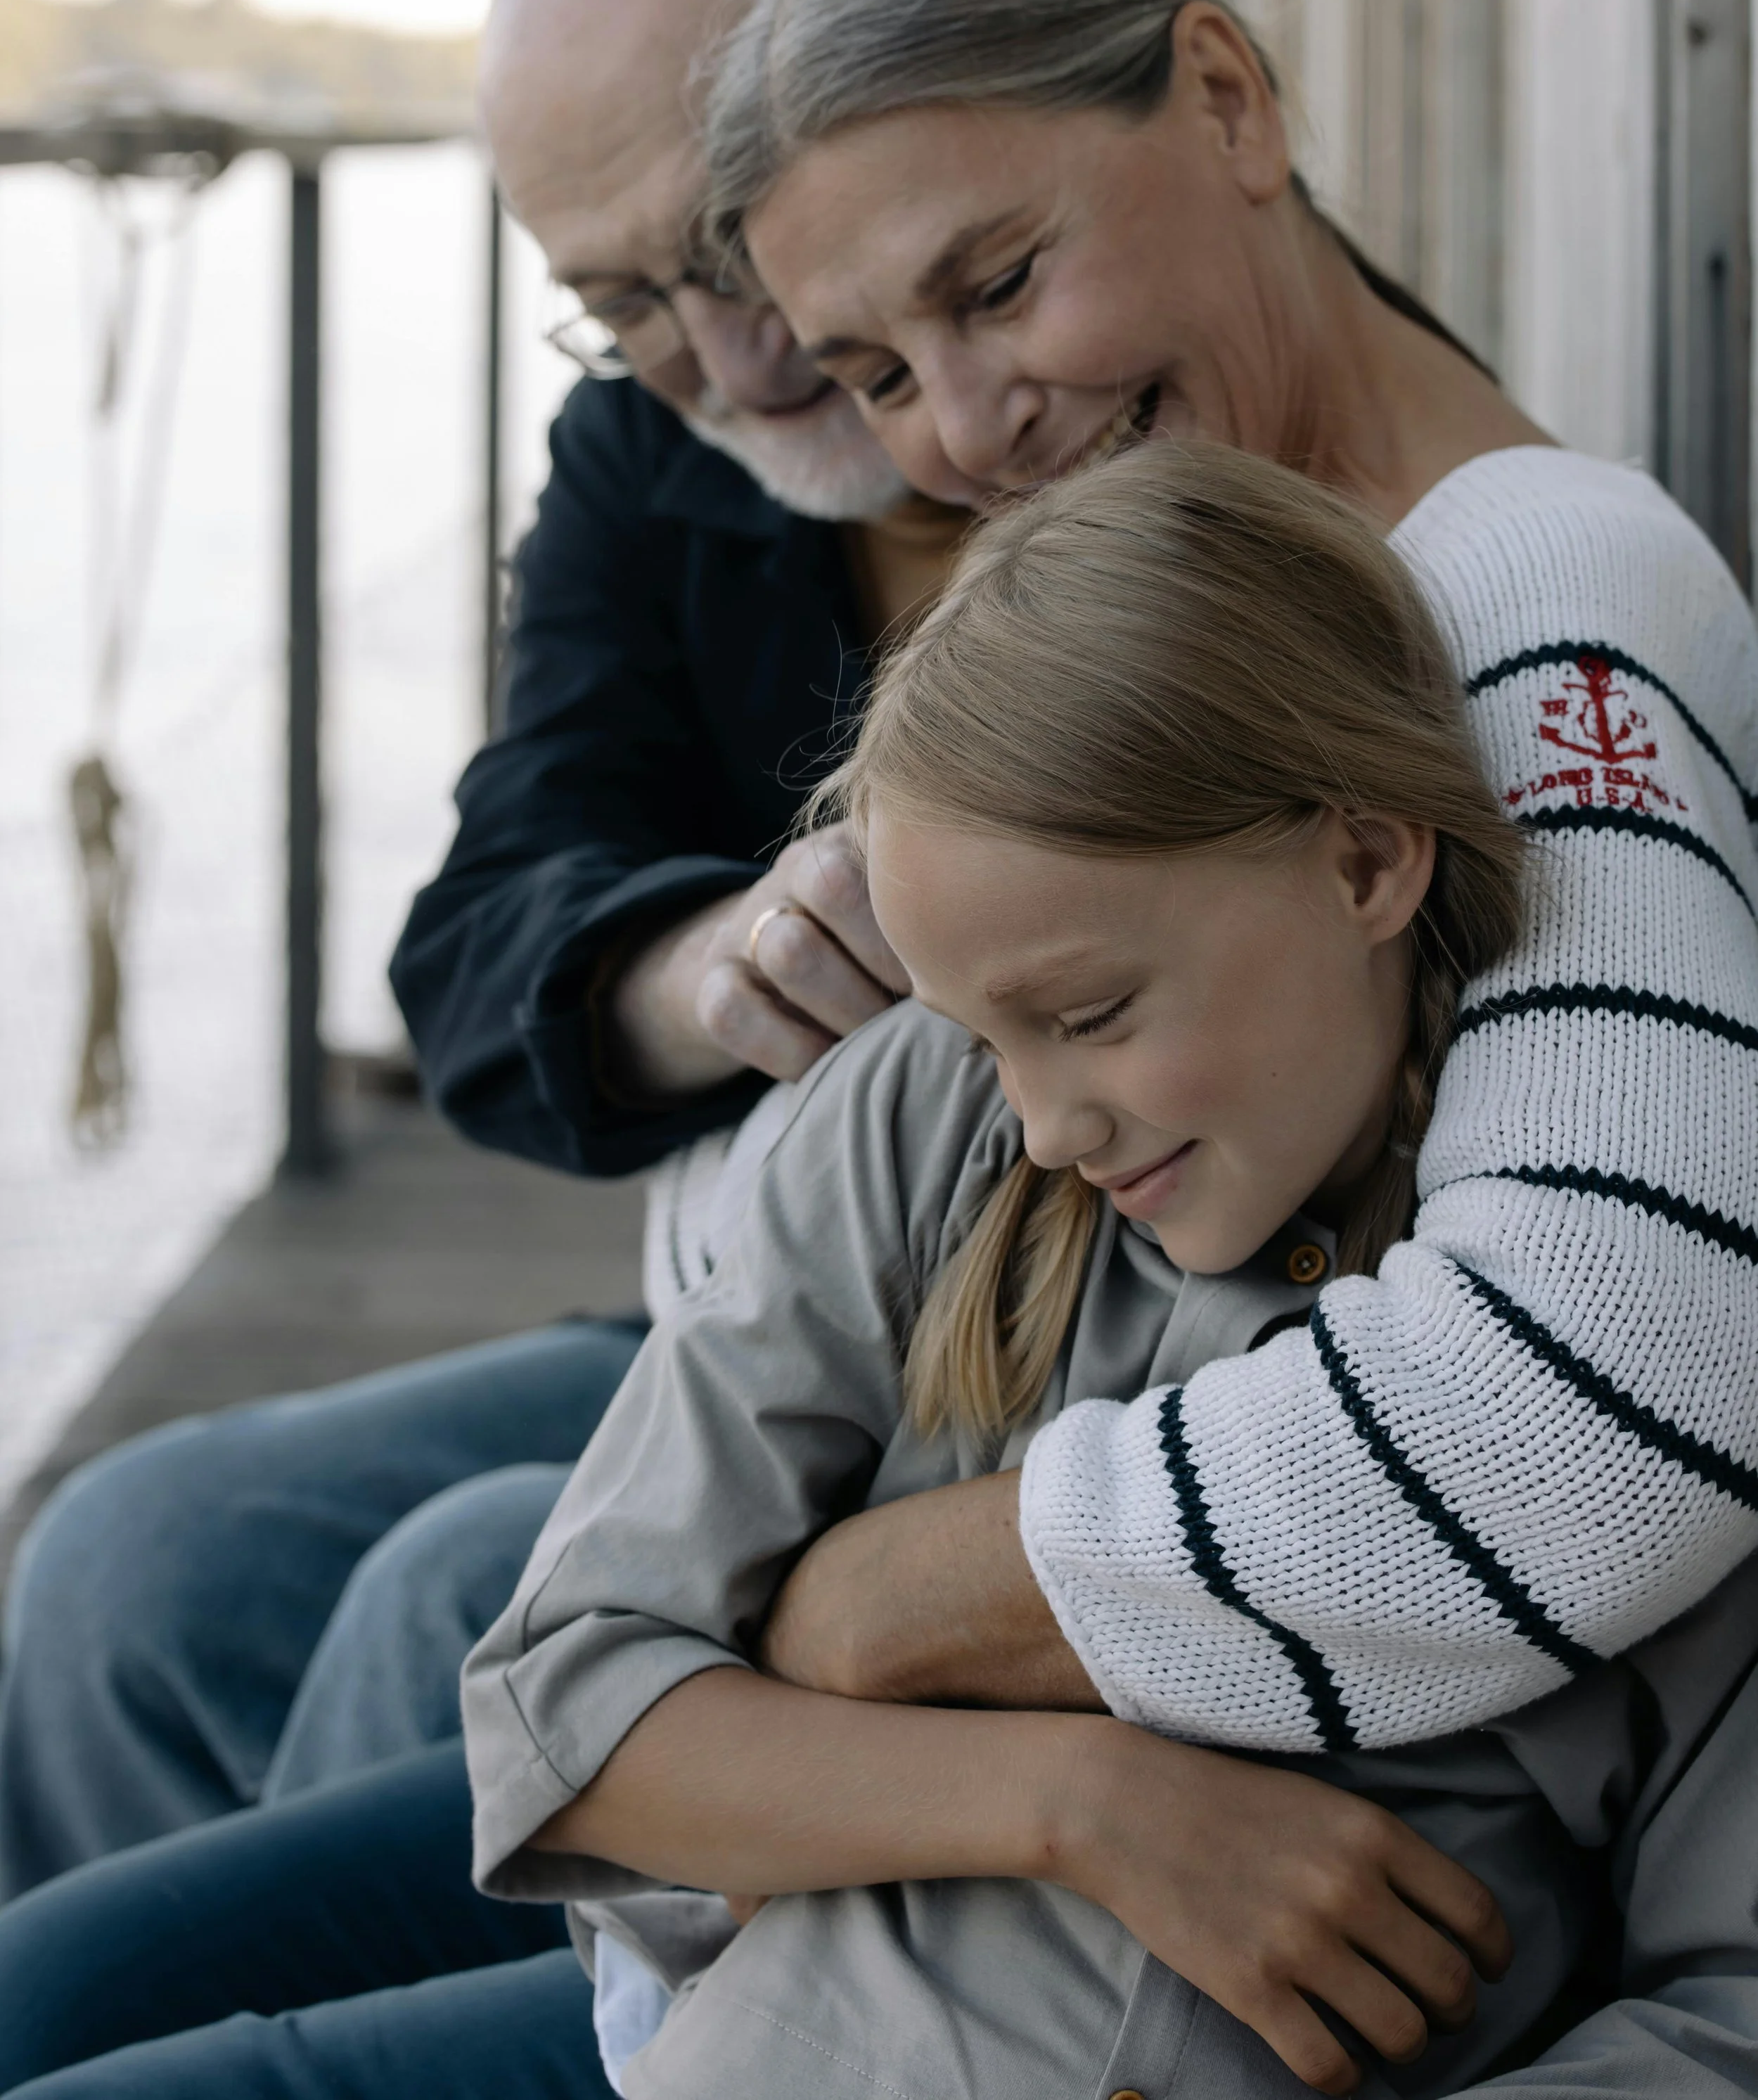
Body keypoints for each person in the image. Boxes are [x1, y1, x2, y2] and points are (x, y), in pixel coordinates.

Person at [461, 440, 1758, 2100]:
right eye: (980, 1026)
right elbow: (560, 1722)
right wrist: (1092, 1810)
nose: (1043, 1123)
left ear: (1364, 864)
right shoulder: (934, 1121)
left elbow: (1721, 2007)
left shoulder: (1617, 1336)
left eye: (1087, 1019)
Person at [700, 0, 1758, 1747]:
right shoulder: (1195, 624)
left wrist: (874, 1598)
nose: (962, 425)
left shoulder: (1533, 596)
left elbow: (1598, 1390)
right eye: (872, 373)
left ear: (1225, 98)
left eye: (1001, 282)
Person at [0, 0, 951, 1897]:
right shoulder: (647, 444)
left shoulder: (1097, 394)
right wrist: (706, 965)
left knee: (443, 1594)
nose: (735, 347)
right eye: (618, 296)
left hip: (982, 1371)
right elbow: (478, 941)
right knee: (123, 1549)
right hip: (723, 1306)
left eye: (732, 240)